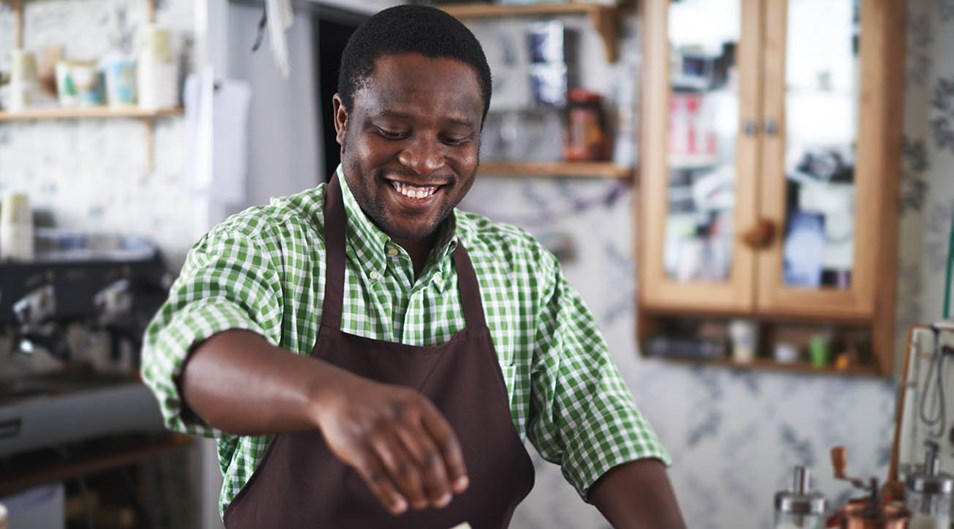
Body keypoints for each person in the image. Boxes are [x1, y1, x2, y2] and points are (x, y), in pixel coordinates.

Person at [141, 5, 686, 528]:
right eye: (393, 131)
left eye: (454, 138)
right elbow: (191, 354)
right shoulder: (266, 245)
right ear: (342, 119)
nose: (425, 161)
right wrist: (327, 395)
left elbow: (601, 424)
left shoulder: (521, 269)